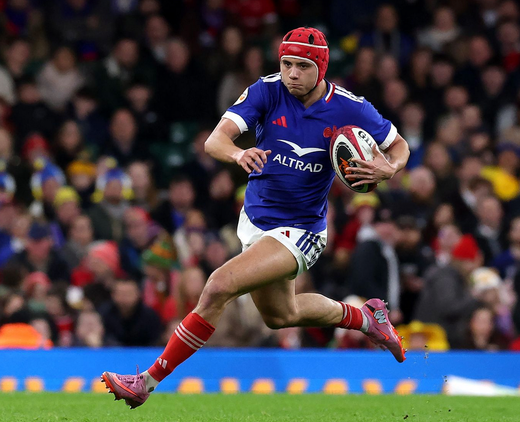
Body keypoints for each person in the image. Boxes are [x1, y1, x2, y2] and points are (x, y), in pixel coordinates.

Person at [101, 27, 410, 409]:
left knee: (218, 286)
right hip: (256, 221)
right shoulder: (266, 90)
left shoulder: (351, 107)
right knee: (282, 315)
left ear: (322, 68)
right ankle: (366, 318)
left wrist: (389, 167)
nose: (292, 73)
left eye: (302, 66)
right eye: (286, 64)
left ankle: (145, 382)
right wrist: (238, 154)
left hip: (301, 230)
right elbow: (215, 140)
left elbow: (399, 145)